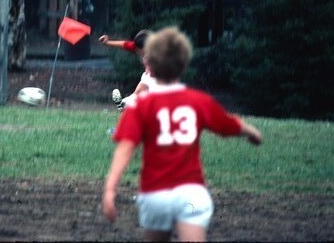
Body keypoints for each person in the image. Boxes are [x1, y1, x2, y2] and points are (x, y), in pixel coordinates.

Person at [101, 26, 262, 242]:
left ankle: (124, 101)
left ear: (150, 62)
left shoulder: (141, 108)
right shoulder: (198, 101)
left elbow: (125, 150)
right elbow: (230, 124)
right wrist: (253, 133)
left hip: (155, 194)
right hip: (191, 194)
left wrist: (110, 189)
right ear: (183, 64)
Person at [98, 29, 155, 111]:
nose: (137, 51)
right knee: (138, 92)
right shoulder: (138, 47)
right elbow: (124, 44)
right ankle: (124, 104)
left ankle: (126, 104)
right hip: (149, 76)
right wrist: (107, 42)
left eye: (140, 50)